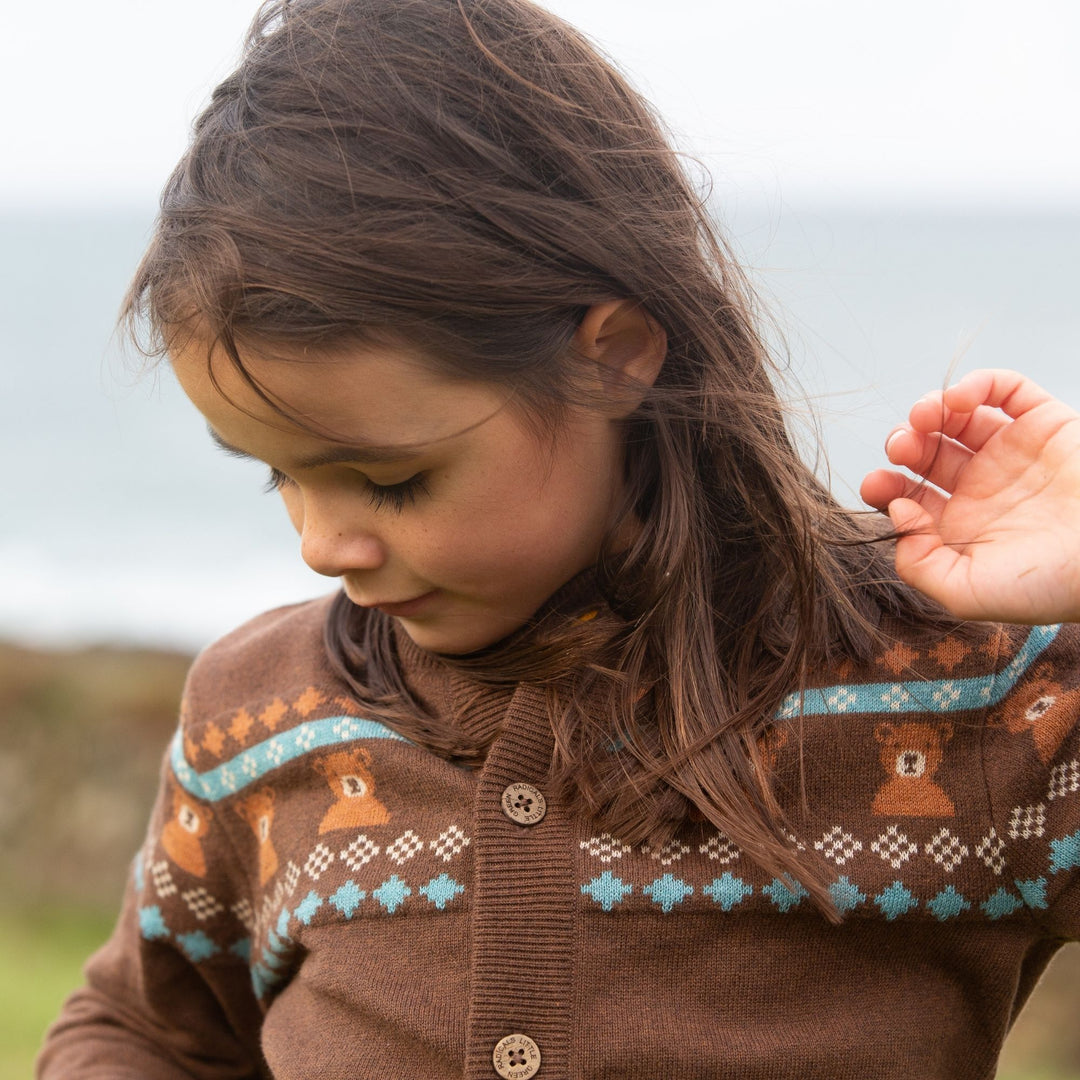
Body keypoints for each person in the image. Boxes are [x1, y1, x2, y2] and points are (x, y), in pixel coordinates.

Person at [37, 0, 1080, 1077]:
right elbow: (145, 1029)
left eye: (390, 479)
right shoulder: (258, 723)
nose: (321, 545)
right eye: (279, 476)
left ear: (612, 356)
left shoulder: (973, 686)